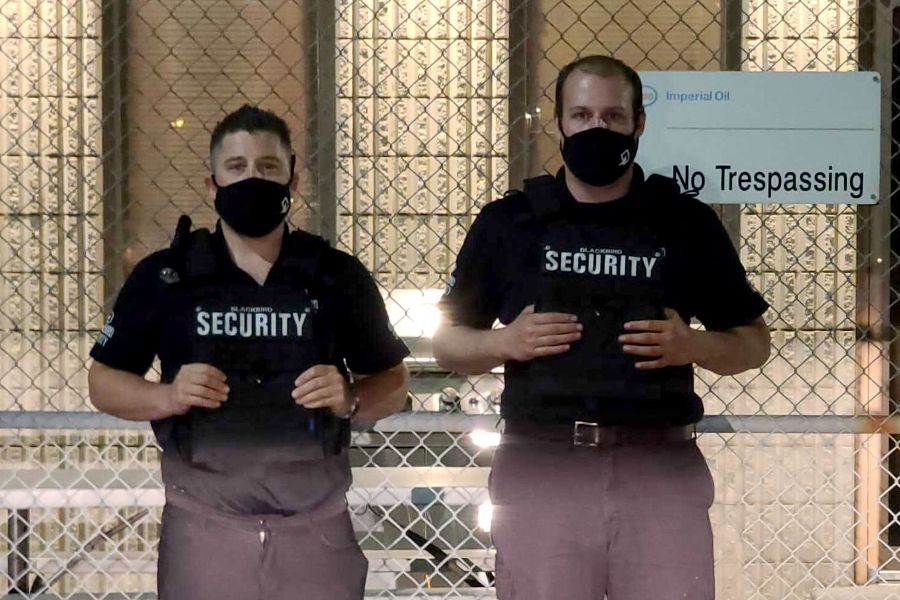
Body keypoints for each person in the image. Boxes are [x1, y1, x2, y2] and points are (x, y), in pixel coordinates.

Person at [433, 55, 771, 600]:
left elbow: (754, 342)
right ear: (559, 123)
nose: (597, 128)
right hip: (542, 463)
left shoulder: (685, 223)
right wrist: (504, 342)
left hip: (658, 463)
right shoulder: (510, 222)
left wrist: (694, 345)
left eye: (613, 116)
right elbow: (448, 342)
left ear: (639, 123)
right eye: (582, 114)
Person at [88, 105, 410, 600]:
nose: (252, 179)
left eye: (268, 167)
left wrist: (350, 398)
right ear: (211, 184)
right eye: (236, 168)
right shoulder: (167, 276)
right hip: (204, 530)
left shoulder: (337, 275)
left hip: (316, 532)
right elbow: (103, 382)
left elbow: (393, 381)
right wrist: (169, 396)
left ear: (293, 178)